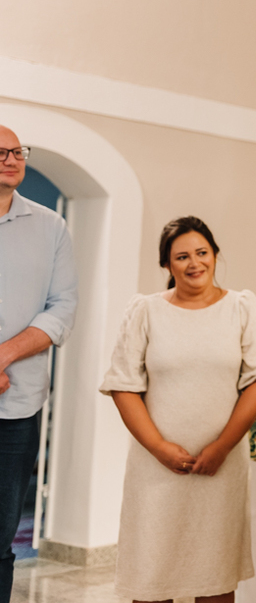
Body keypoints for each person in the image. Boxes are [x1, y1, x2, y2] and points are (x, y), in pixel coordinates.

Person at [100, 217, 256, 603]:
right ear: (167, 265)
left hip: (221, 467)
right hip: (155, 470)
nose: (194, 263)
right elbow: (123, 386)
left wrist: (221, 447)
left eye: (202, 252)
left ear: (215, 255)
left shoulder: (242, 307)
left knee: (214, 578)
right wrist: (160, 448)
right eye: (182, 256)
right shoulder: (145, 311)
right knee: (151, 577)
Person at [0, 126, 77, 603]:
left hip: (17, 406)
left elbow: (63, 308)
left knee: (0, 537)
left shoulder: (51, 227)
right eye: (0, 152)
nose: (11, 159)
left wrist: (4, 354)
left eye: (17, 151)